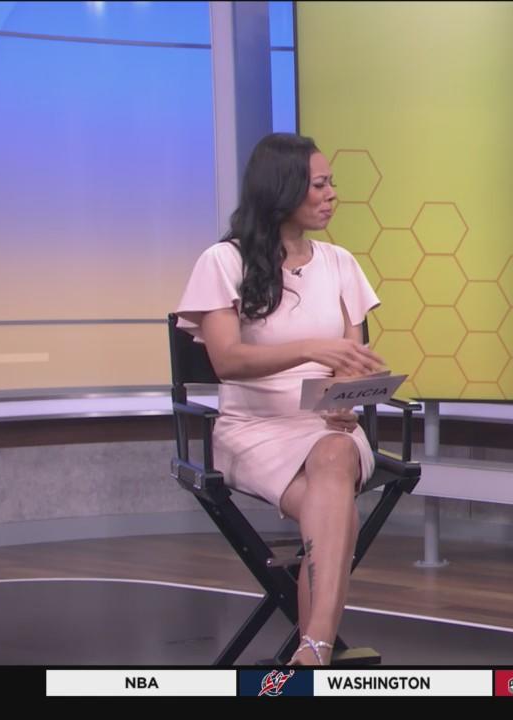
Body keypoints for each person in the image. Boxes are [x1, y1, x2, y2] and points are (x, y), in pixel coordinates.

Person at [176, 133, 386, 665]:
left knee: (334, 457)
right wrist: (311, 348)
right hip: (252, 428)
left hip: (326, 429)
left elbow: (350, 361)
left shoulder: (340, 263)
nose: (332, 194)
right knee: (333, 512)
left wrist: (345, 400)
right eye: (320, 184)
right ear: (283, 189)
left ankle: (312, 651)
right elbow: (227, 361)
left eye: (332, 183)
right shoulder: (223, 261)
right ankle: (317, 650)